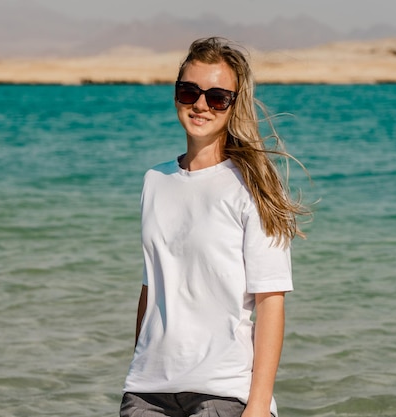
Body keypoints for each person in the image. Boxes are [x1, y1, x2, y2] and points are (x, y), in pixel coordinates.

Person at [120, 37, 309, 417]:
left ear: (233, 104)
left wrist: (257, 407)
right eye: (189, 91)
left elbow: (270, 302)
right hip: (147, 392)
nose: (201, 105)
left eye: (217, 97)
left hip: (223, 393)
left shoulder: (252, 185)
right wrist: (139, 361)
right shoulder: (154, 180)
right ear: (176, 95)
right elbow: (152, 283)